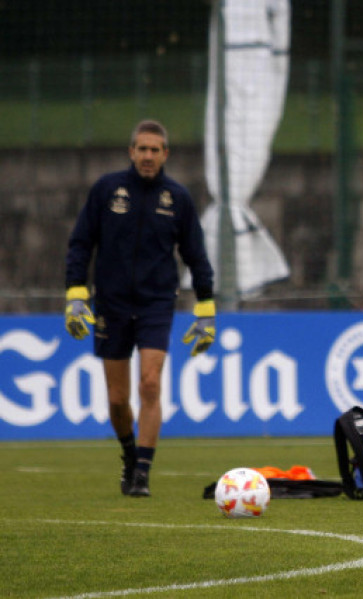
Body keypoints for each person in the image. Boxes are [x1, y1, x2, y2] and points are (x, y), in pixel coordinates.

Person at [64, 119, 216, 497]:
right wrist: (75, 294)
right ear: (131, 152)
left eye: (155, 149)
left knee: (150, 384)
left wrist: (206, 308)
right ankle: (130, 455)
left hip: (156, 305)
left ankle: (143, 473)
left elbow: (196, 257)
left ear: (165, 154)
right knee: (117, 400)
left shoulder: (177, 199)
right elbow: (81, 244)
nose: (148, 156)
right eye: (142, 149)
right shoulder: (106, 190)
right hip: (110, 306)